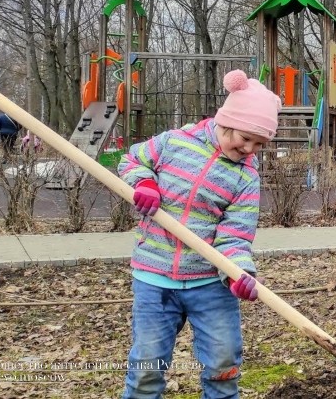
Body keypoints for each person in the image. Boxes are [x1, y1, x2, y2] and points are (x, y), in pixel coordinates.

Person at [118, 69, 282, 399]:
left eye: (259, 144)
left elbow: (235, 236)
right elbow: (132, 160)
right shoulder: (175, 142)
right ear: (227, 120)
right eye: (244, 137)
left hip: (209, 284)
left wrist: (238, 273)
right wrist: (145, 182)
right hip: (154, 277)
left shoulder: (246, 178)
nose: (249, 148)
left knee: (224, 365)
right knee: (147, 368)